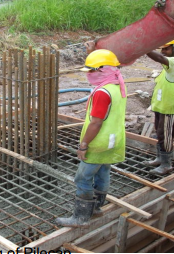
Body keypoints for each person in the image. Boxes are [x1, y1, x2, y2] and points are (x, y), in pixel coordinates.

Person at [55, 48, 127, 227]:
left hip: (99, 142)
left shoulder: (102, 92)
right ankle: (96, 207)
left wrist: (84, 144)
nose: (88, 74)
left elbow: (96, 123)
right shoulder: (117, 85)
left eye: (91, 70)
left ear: (102, 70)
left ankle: (81, 217)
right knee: (103, 172)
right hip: (113, 139)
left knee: (82, 177)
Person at [144, 37, 174, 175]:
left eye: (166, 49)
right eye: (162, 49)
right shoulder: (170, 64)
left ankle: (166, 164)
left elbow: (158, 58)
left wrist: (143, 47)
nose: (163, 52)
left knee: (166, 134)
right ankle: (159, 158)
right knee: (159, 131)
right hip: (162, 105)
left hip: (171, 106)